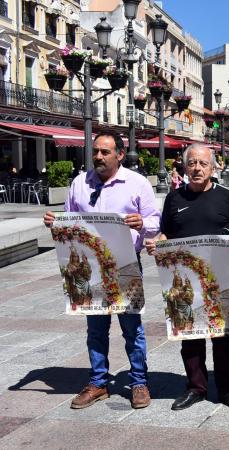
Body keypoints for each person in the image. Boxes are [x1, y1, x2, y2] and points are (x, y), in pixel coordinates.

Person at [43, 131, 160, 410]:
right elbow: (69, 220)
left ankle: (139, 382)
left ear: (120, 154)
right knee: (96, 330)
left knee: (132, 329)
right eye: (95, 151)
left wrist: (141, 223)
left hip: (126, 265)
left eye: (105, 152)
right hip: (90, 268)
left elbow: (156, 221)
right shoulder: (79, 183)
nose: (98, 156)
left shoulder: (137, 183)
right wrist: (54, 222)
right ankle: (98, 382)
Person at [144, 144, 229, 412]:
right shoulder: (174, 199)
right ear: (184, 166)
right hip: (184, 280)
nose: (197, 168)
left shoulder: (227, 197)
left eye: (203, 163)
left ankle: (227, 389)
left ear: (213, 167)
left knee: (224, 336)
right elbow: (166, 233)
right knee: (190, 336)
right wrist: (157, 241)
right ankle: (196, 387)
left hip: (220, 278)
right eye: (192, 163)